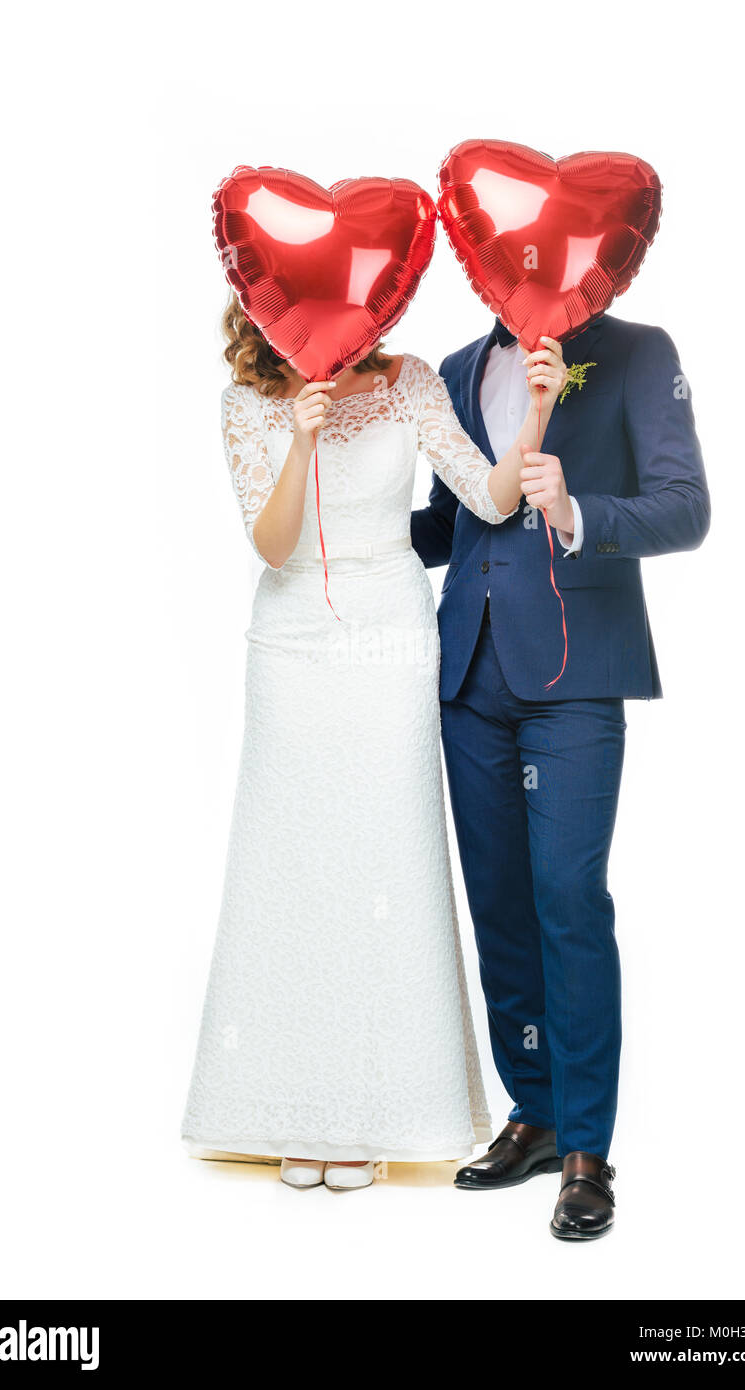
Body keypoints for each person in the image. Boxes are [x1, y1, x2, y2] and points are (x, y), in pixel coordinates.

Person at [181, 296, 568, 1191]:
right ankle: (291, 1107)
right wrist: (304, 437)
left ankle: (374, 1110)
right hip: (291, 643)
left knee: (381, 860)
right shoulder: (247, 398)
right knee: (293, 863)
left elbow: (490, 495)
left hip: (390, 637)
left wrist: (538, 413)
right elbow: (272, 546)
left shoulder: (410, 382)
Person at [411, 313, 709, 1238]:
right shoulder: (460, 366)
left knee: (567, 897)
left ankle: (586, 1148)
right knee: (498, 901)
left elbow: (685, 507)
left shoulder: (636, 352)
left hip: (576, 678)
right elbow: (448, 522)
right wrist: (343, 501)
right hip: (467, 674)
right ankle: (532, 1116)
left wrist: (575, 510)